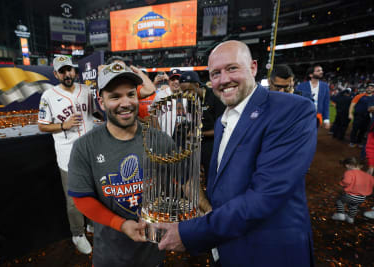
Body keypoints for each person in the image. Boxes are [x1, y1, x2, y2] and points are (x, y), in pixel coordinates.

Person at [156, 40, 317, 267]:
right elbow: (224, 188)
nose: (224, 79)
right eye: (215, 73)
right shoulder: (224, 120)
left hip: (270, 253)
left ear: (253, 67)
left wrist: (191, 232)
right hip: (228, 245)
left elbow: (265, 196)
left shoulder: (292, 109)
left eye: (232, 68)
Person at [67, 62, 166, 267]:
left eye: (130, 94)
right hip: (110, 256)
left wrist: (206, 211)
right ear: (101, 102)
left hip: (153, 254)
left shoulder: (159, 139)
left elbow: (182, 181)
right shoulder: (85, 146)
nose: (125, 102)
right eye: (115, 96)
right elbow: (81, 198)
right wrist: (120, 224)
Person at [37, 55, 95, 254]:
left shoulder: (87, 90)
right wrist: (63, 125)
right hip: (67, 154)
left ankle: (91, 224)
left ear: (75, 71)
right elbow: (42, 126)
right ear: (56, 74)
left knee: (93, 190)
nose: (67, 74)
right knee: (73, 199)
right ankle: (77, 233)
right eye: (62, 71)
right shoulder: (48, 96)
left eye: (69, 69)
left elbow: (95, 113)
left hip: (91, 151)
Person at [331, 157, 374, 224]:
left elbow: (347, 182)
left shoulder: (349, 172)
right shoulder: (367, 175)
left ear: (347, 165)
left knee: (340, 201)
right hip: (362, 198)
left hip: (351, 195)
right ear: (361, 166)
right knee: (354, 206)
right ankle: (350, 218)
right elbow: (371, 182)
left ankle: (340, 215)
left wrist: (341, 183)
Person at [297, 64, 330, 129]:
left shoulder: (325, 86)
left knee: (314, 136)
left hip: (317, 117)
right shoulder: (301, 86)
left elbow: (326, 104)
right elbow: (298, 103)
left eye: (321, 70)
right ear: (311, 75)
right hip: (304, 116)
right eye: (318, 71)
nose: (321, 72)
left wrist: (326, 119)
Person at [348, 83, 374, 147]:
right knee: (355, 129)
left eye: (371, 88)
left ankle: (359, 142)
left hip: (368, 117)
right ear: (366, 88)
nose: (369, 89)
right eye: (368, 87)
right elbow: (352, 105)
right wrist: (350, 113)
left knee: (363, 130)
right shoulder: (359, 96)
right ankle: (352, 141)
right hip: (358, 116)